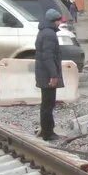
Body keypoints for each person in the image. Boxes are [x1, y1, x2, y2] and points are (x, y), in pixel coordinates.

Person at [34, 7, 63, 141]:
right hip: (47, 76)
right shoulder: (49, 34)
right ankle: (48, 133)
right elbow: (48, 57)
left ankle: (46, 130)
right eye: (59, 21)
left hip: (43, 74)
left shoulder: (44, 32)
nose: (60, 23)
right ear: (54, 21)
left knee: (46, 104)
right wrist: (54, 75)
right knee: (48, 104)